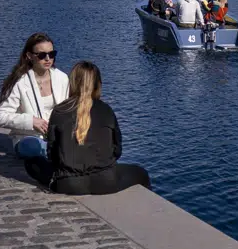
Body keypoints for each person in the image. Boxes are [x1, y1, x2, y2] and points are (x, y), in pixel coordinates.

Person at [27, 61, 152, 196]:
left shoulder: (59, 111)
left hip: (68, 184)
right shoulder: (106, 110)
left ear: (73, 83)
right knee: (141, 173)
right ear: (98, 84)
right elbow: (117, 150)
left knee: (32, 162)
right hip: (106, 182)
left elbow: (52, 154)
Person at [0, 33, 68, 161]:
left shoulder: (62, 78)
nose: (47, 59)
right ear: (29, 56)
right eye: (41, 55)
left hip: (57, 138)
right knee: (39, 148)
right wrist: (30, 121)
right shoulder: (19, 82)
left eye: (51, 54)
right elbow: (0, 116)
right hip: (27, 139)